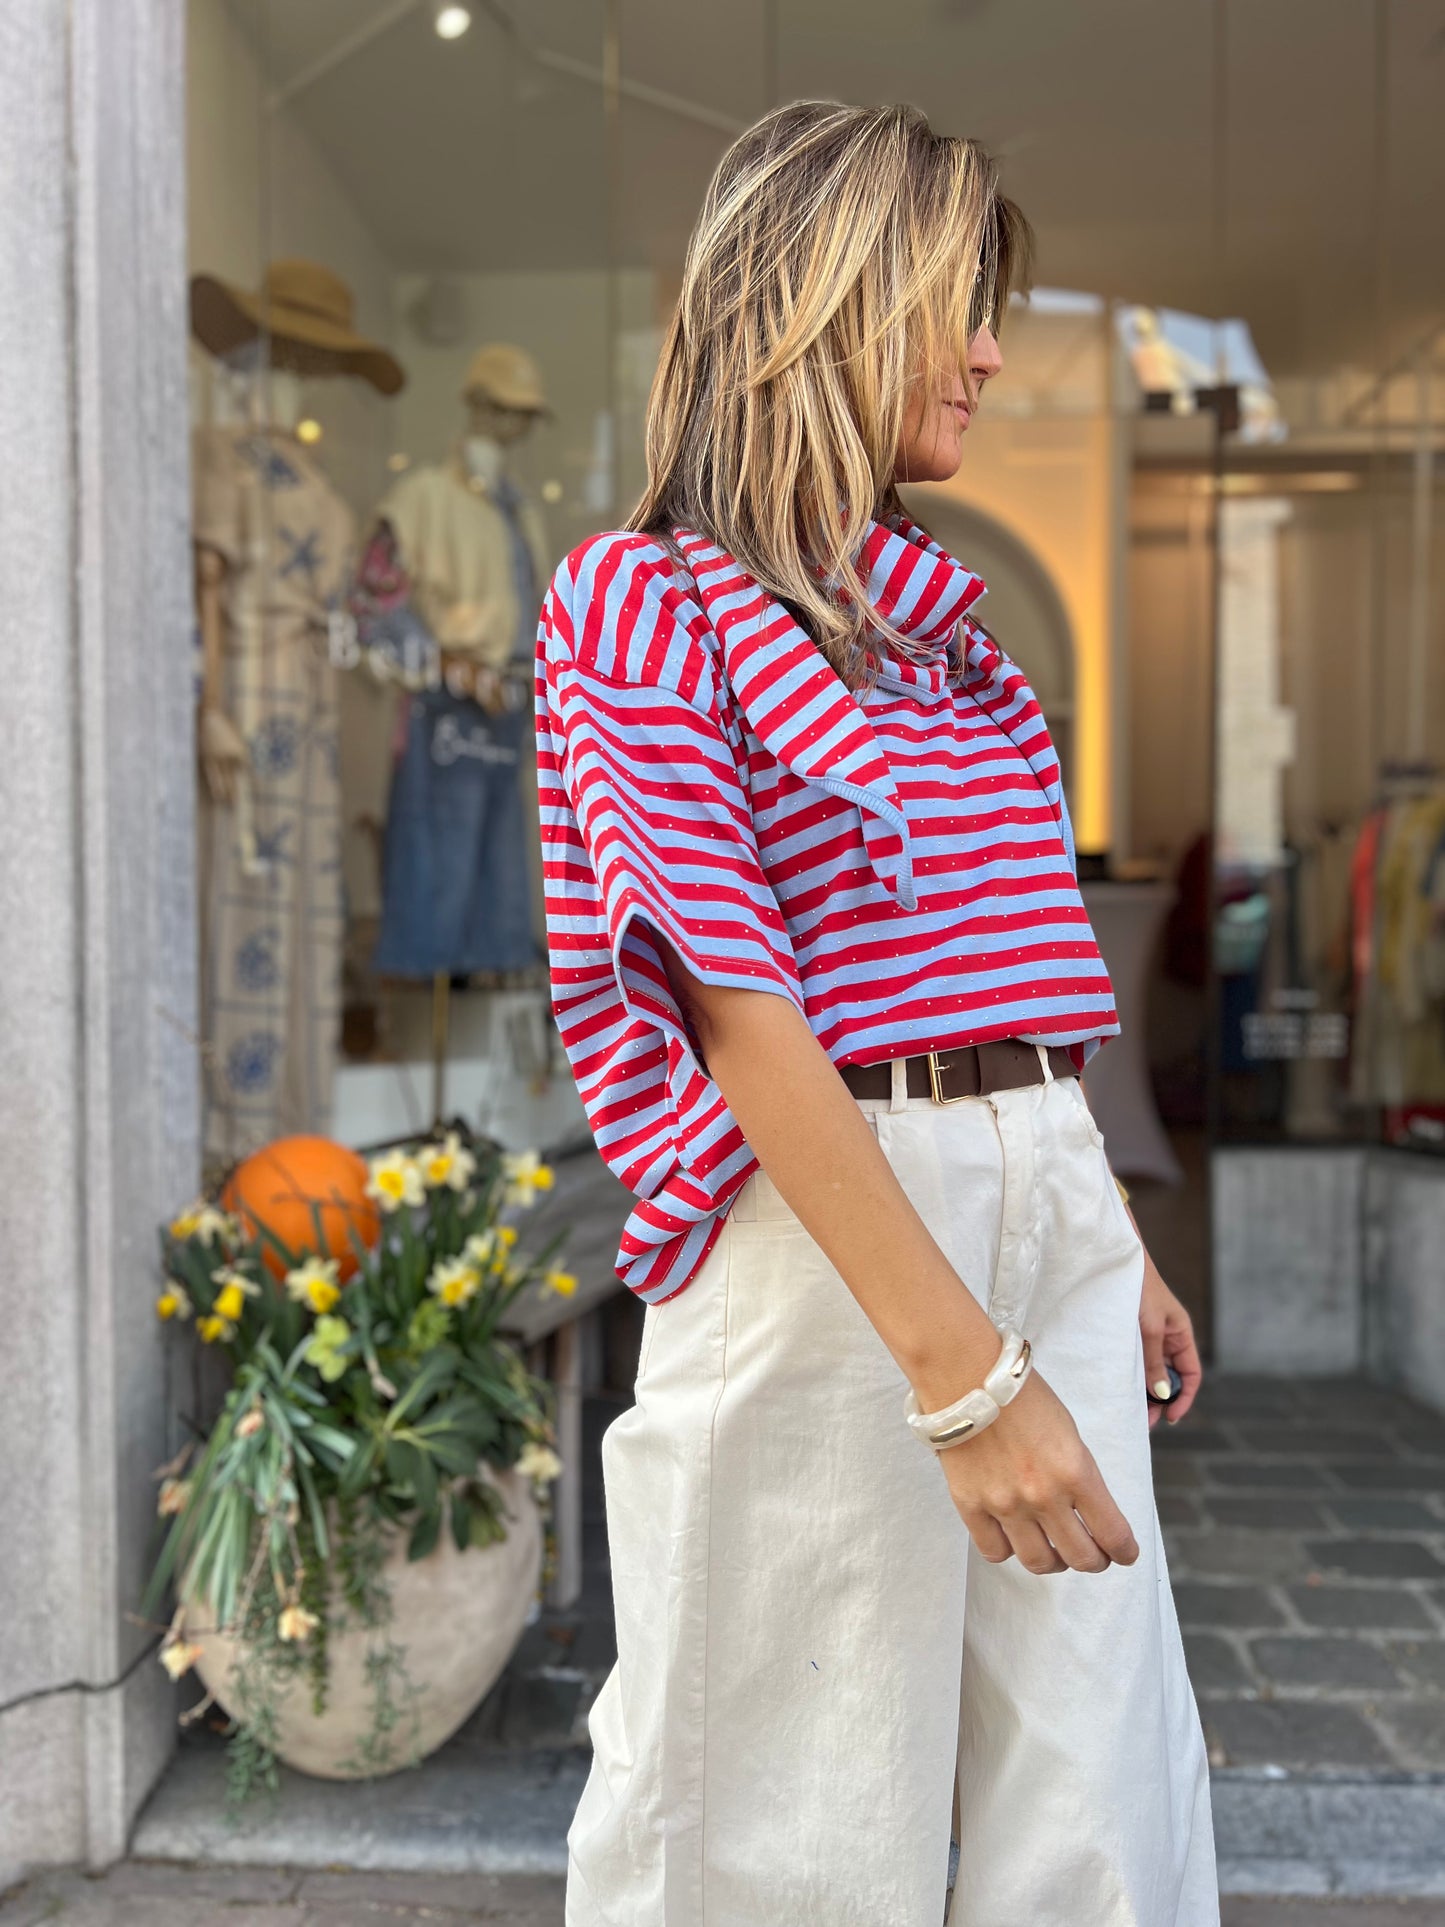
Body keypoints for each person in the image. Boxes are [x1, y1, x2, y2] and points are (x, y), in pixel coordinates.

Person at [536, 100, 1217, 1927]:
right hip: (820, 1226)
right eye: (951, 301)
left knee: (1101, 1802)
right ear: (819, 305)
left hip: (1033, 1194)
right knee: (775, 1808)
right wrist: (965, 1377)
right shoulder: (640, 601)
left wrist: (1097, 1221)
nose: (990, 347)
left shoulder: (944, 633)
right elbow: (740, 1008)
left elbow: (1007, 972)